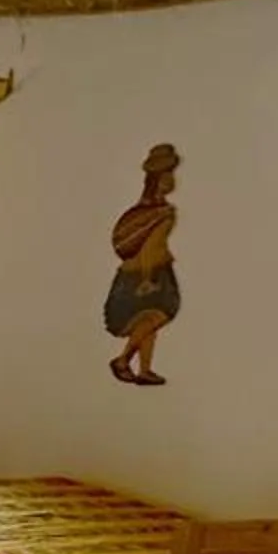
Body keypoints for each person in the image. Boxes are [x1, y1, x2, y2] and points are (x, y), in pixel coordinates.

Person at [105, 144, 181, 385]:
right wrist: (148, 279)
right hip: (147, 274)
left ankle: (144, 369)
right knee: (157, 317)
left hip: (139, 273)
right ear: (158, 180)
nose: (171, 181)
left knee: (148, 323)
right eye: (167, 176)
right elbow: (151, 248)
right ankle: (123, 359)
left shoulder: (145, 211)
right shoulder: (161, 213)